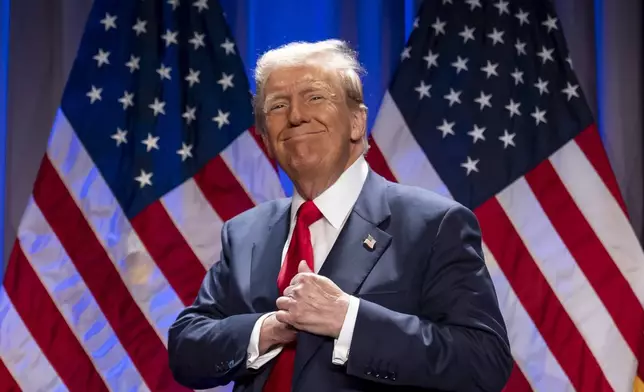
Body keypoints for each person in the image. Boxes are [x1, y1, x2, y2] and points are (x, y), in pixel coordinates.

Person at [167, 39, 513, 392]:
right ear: (266, 139)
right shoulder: (244, 234)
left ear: (356, 123)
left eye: (315, 97)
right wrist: (269, 328)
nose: (296, 115)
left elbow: (483, 361)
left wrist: (349, 320)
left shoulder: (435, 224)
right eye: (278, 105)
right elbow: (186, 347)